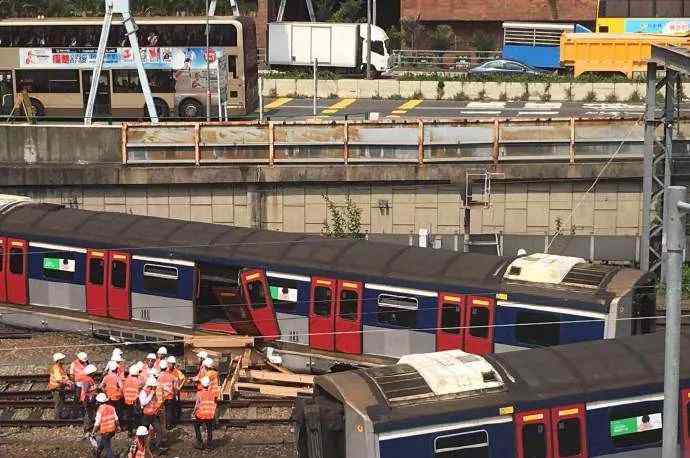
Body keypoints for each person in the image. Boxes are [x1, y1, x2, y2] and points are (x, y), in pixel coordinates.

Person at [140, 377, 167, 452]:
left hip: (153, 415)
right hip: (146, 416)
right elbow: (143, 402)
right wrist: (151, 395)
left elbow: (155, 402)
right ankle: (143, 447)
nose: (155, 387)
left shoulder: (152, 391)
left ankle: (156, 447)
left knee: (159, 430)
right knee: (143, 432)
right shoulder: (144, 392)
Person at [193, 376, 217, 450]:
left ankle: (199, 442)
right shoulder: (213, 393)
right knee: (209, 428)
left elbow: (197, 405)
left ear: (202, 385)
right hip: (210, 414)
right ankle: (209, 445)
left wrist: (193, 412)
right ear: (209, 385)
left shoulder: (199, 393)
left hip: (201, 415)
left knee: (196, 425)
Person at [92, 393, 120, 458]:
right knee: (103, 441)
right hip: (112, 430)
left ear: (99, 402)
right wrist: (118, 426)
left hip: (105, 431)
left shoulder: (100, 410)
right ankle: (97, 453)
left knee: (108, 448)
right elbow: (116, 419)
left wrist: (93, 432)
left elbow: (97, 423)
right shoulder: (111, 408)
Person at [48, 352, 72, 419]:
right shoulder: (56, 368)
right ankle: (57, 418)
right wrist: (67, 383)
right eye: (62, 359)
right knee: (58, 403)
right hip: (56, 388)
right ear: (58, 360)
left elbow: (64, 375)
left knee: (61, 402)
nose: (63, 360)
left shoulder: (59, 367)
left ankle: (60, 415)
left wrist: (68, 380)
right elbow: (59, 380)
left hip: (59, 387)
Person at [122, 364, 142, 437]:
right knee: (137, 416)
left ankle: (129, 431)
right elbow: (140, 392)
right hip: (135, 401)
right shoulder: (138, 381)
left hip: (127, 401)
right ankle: (137, 430)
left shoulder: (126, 380)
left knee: (129, 416)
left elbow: (123, 390)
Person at [167, 355, 185, 426]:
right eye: (169, 363)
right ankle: (171, 422)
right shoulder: (166, 371)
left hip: (175, 393)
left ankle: (175, 420)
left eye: (172, 364)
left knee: (175, 407)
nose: (170, 365)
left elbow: (183, 378)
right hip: (168, 393)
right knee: (170, 409)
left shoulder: (177, 372)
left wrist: (179, 387)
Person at [80, 364, 98, 434]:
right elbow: (85, 390)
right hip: (87, 399)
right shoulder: (87, 380)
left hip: (88, 398)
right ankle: (87, 428)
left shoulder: (88, 379)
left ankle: (88, 427)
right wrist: (93, 391)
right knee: (88, 413)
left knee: (89, 412)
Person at [157, 360, 175, 430]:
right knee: (168, 411)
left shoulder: (158, 377)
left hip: (161, 396)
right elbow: (174, 386)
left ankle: (161, 425)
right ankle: (168, 425)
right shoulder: (171, 376)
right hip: (169, 396)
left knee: (161, 411)